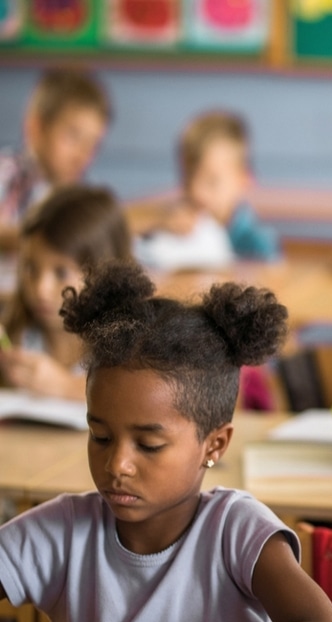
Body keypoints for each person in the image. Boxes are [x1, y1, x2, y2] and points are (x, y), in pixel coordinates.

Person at [0, 261, 332, 622]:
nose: (117, 465)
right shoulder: (63, 530)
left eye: (148, 445)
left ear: (215, 444)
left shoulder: (235, 530)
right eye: (101, 436)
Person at [0, 185, 131, 400]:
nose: (41, 289)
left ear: (105, 275)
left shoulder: (130, 349)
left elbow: (134, 400)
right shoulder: (18, 336)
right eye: (30, 268)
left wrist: (65, 387)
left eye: (61, 273)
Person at [133, 110, 279, 265]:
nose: (197, 192)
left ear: (244, 179)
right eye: (188, 179)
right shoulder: (171, 224)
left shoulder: (258, 244)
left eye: (212, 182)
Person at [0, 66, 111, 255]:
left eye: (93, 143)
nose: (83, 155)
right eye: (73, 136)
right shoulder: (7, 172)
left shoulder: (86, 190)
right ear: (36, 128)